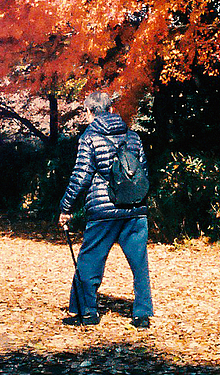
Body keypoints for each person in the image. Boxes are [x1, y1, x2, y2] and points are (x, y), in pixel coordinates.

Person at [58, 91, 153, 329]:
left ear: (89, 113)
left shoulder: (89, 137)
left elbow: (81, 176)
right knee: (139, 264)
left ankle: (87, 313)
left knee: (89, 261)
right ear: (111, 109)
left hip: (103, 211)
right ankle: (142, 315)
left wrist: (66, 207)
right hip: (135, 209)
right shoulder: (133, 136)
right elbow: (143, 173)